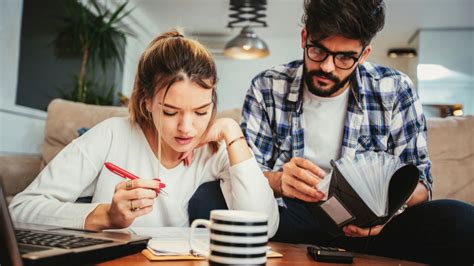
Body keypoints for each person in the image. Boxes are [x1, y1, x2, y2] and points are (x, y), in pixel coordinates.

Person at [239, 0, 474, 264]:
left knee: (463, 221)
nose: (328, 67)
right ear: (305, 37)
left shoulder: (395, 89)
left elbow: (422, 184)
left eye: (344, 57)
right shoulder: (267, 86)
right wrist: (279, 182)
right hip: (293, 217)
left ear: (363, 54)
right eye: (318, 50)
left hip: (375, 228)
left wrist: (387, 210)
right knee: (209, 198)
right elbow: (246, 172)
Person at [9, 29, 279, 237]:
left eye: (200, 111)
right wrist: (105, 216)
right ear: (147, 102)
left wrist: (233, 134)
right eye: (171, 112)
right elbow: (20, 210)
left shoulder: (216, 149)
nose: (187, 128)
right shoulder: (112, 135)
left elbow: (263, 227)